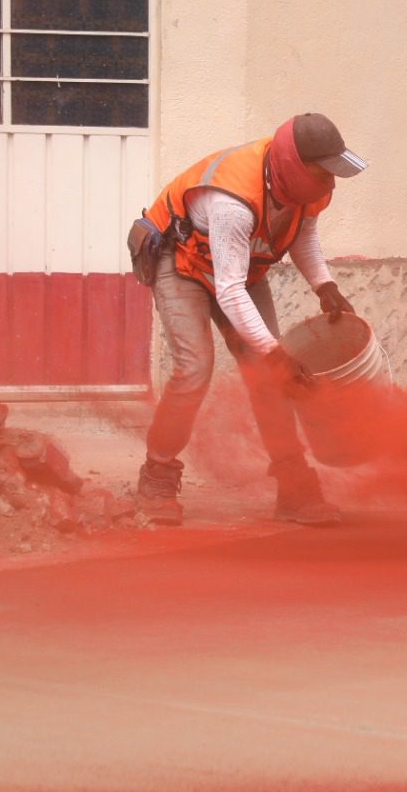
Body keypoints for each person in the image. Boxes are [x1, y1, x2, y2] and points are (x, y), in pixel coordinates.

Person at [129, 113, 366, 527]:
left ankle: (293, 486)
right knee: (194, 368)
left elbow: (302, 235)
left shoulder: (305, 191)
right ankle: (158, 475)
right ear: (294, 168)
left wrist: (324, 284)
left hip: (237, 270)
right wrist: (276, 353)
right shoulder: (232, 202)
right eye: (323, 173)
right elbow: (230, 291)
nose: (331, 183)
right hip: (180, 261)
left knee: (270, 376)